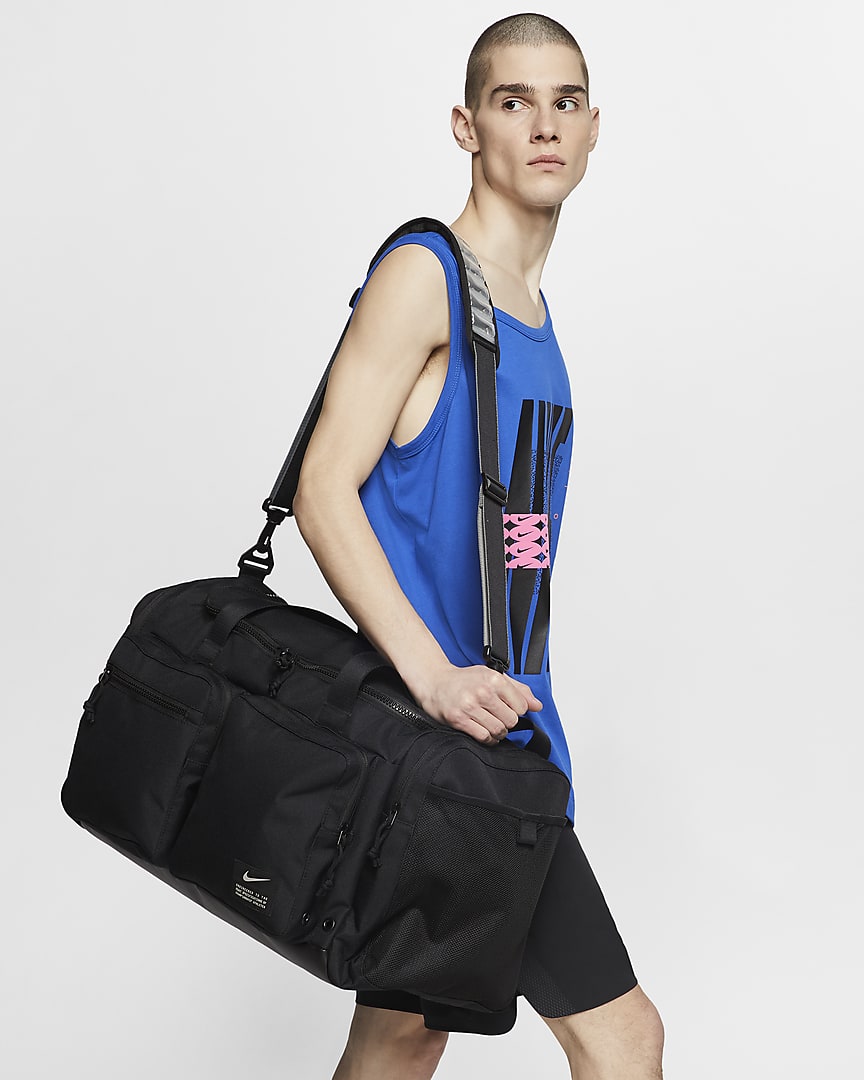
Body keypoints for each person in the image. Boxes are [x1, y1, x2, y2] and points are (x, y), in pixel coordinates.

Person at [293, 12, 665, 1080]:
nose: (544, 126)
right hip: (447, 750)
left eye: (565, 102)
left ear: (593, 127)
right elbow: (323, 489)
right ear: (467, 126)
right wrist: (437, 680)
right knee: (624, 1036)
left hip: (501, 739)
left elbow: (515, 549)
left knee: (403, 1039)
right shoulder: (427, 276)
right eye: (514, 102)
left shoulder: (528, 314)